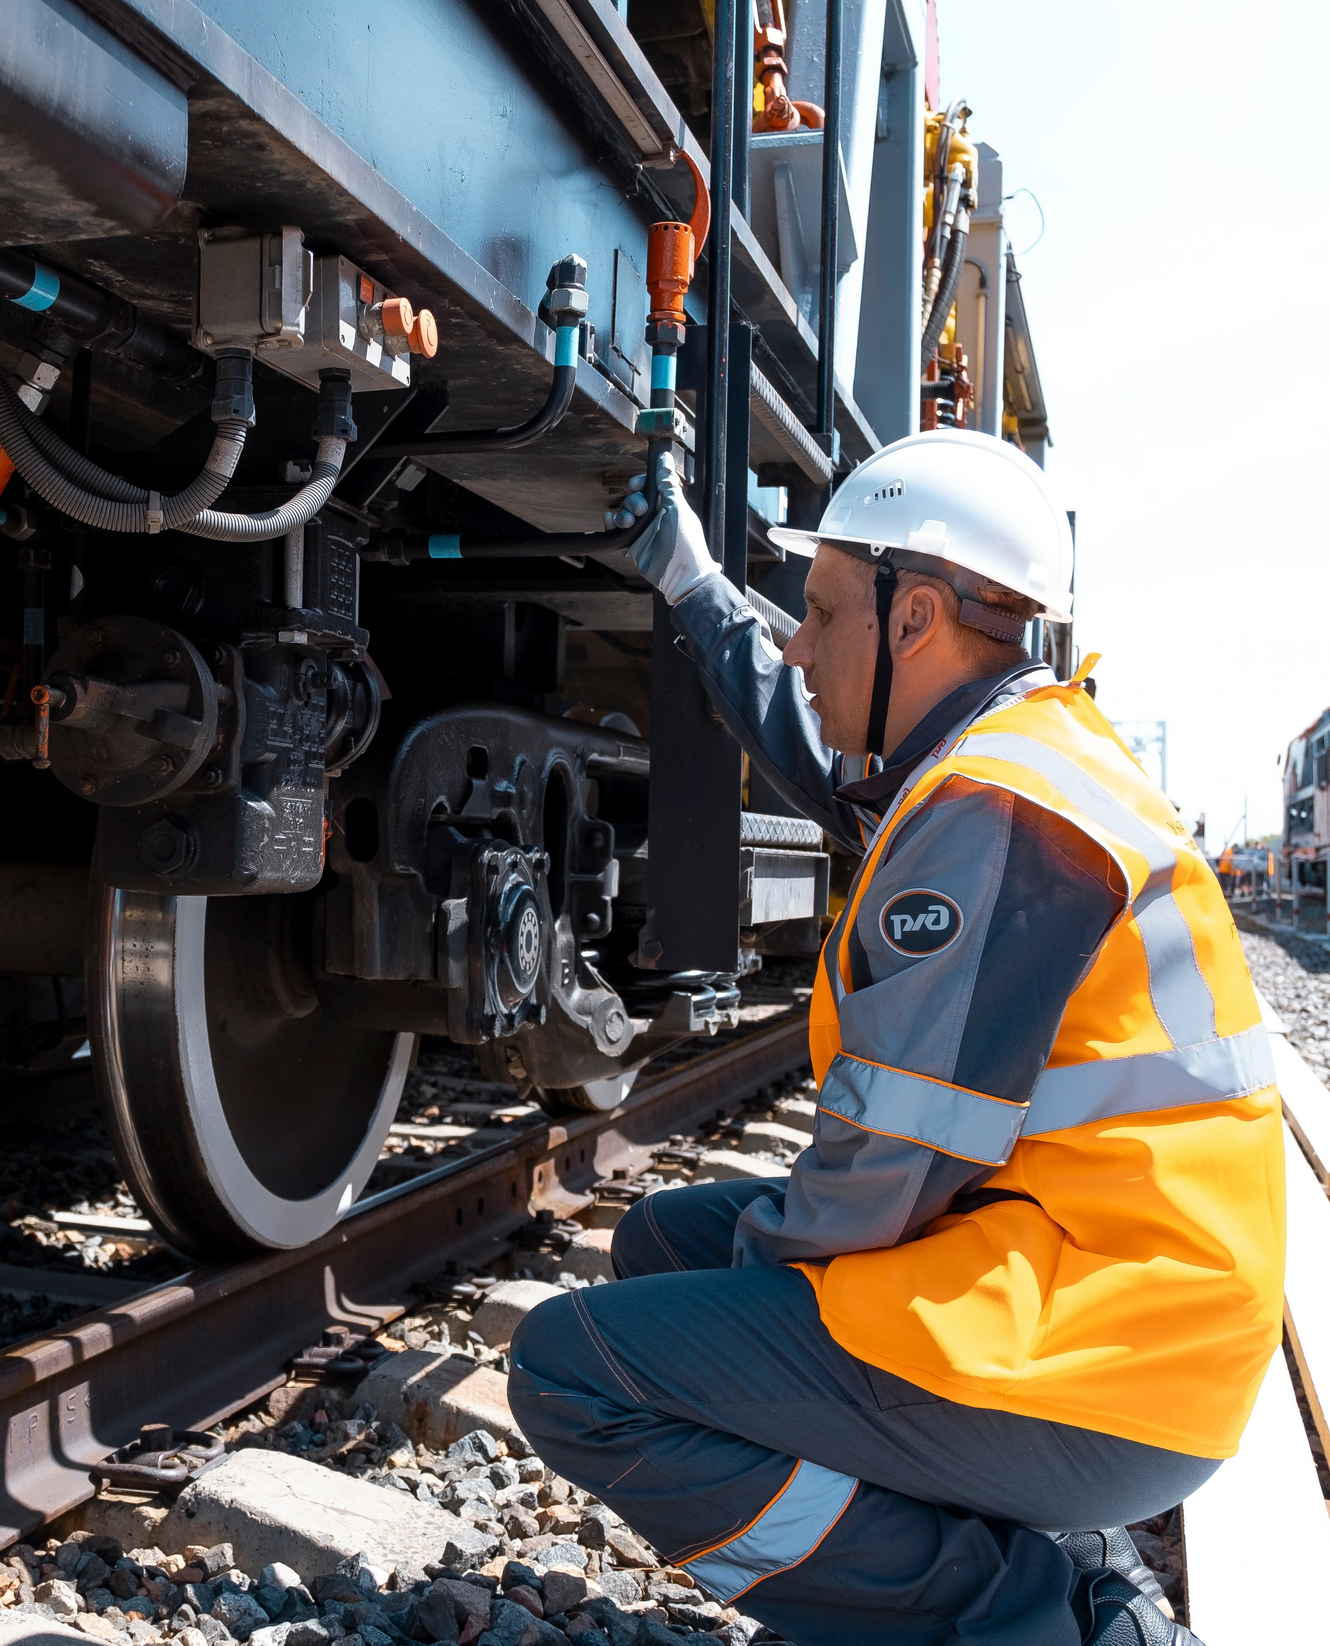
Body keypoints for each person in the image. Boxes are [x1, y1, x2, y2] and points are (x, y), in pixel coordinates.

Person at [506, 431, 1284, 1646]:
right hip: (1105, 1285)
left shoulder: (1000, 809)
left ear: (913, 616)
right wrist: (696, 591)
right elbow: (817, 755)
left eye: (817, 613)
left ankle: (1025, 1619)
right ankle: (1070, 1561)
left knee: (571, 1371)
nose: (800, 645)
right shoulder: (1002, 754)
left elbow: (892, 1160)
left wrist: (758, 1299)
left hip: (1113, 1364)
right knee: (664, 1239)